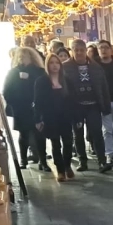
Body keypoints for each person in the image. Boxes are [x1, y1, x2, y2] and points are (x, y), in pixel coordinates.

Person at [62, 38, 112, 173]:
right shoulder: (65, 67)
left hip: (93, 105)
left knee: (97, 133)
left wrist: (106, 106)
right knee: (78, 134)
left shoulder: (96, 67)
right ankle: (82, 161)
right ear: (72, 51)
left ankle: (102, 161)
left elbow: (103, 86)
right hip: (76, 106)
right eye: (76, 50)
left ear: (86, 51)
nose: (79, 53)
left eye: (81, 50)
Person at [2, 47, 47, 170]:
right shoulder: (13, 72)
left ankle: (43, 160)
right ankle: (23, 159)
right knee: (24, 134)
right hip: (21, 108)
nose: (22, 59)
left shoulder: (39, 71)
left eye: (24, 56)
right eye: (20, 56)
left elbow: (44, 87)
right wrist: (14, 104)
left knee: (40, 134)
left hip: (37, 106)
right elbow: (7, 90)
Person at [34, 53, 76, 181]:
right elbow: (38, 101)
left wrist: (77, 117)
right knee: (55, 144)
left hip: (66, 117)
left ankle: (67, 165)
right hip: (50, 117)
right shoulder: (41, 81)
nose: (54, 65)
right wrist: (38, 119)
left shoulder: (66, 80)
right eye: (51, 63)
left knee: (68, 142)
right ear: (47, 65)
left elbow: (74, 100)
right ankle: (60, 170)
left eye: (57, 63)